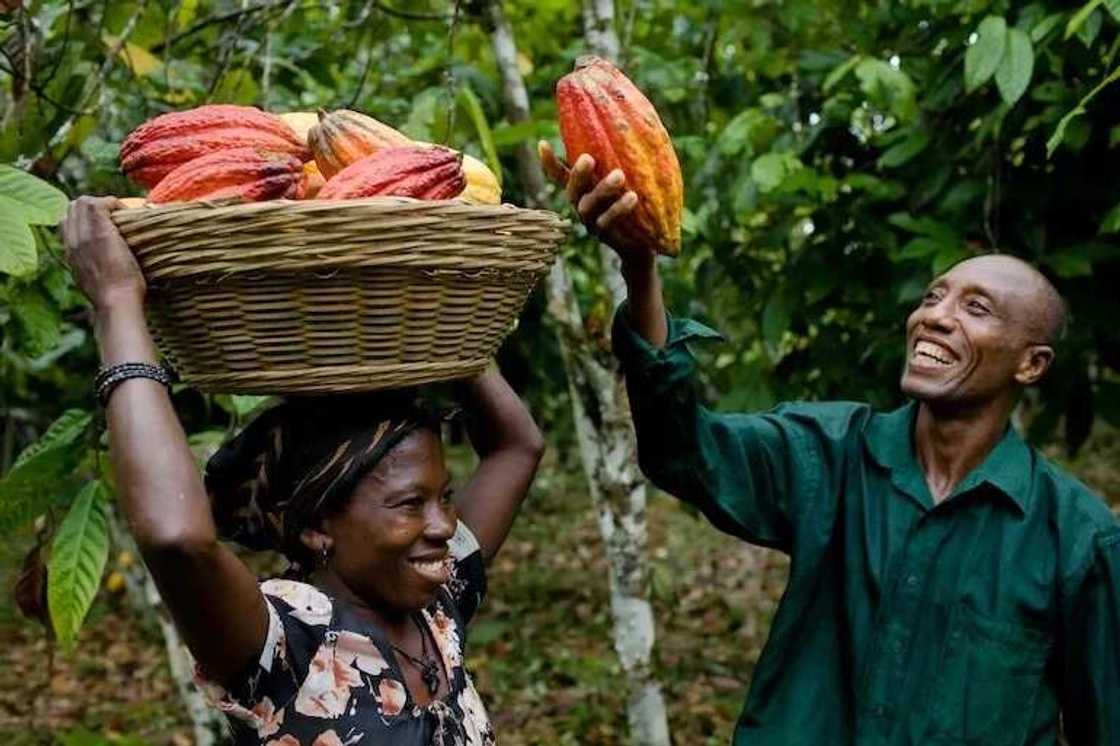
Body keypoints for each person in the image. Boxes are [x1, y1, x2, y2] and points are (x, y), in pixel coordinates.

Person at [540, 144, 1120, 745]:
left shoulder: (1077, 540)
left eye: (976, 308)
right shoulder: (832, 453)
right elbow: (685, 449)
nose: (934, 317)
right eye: (932, 297)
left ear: (1031, 364)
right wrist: (640, 267)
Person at [60, 196, 547, 746]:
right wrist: (117, 301)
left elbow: (517, 447)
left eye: (445, 497)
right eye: (411, 504)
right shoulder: (286, 640)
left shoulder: (436, 604)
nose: (444, 525)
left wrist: (442, 310)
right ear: (317, 526)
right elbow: (177, 539)